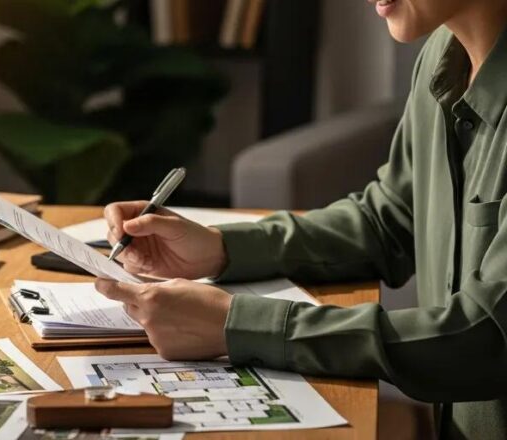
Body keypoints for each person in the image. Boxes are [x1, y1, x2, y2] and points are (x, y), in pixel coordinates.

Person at [95, 0, 507, 438]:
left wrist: (238, 325)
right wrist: (219, 248)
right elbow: (388, 219)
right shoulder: (443, 56)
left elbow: (486, 340)